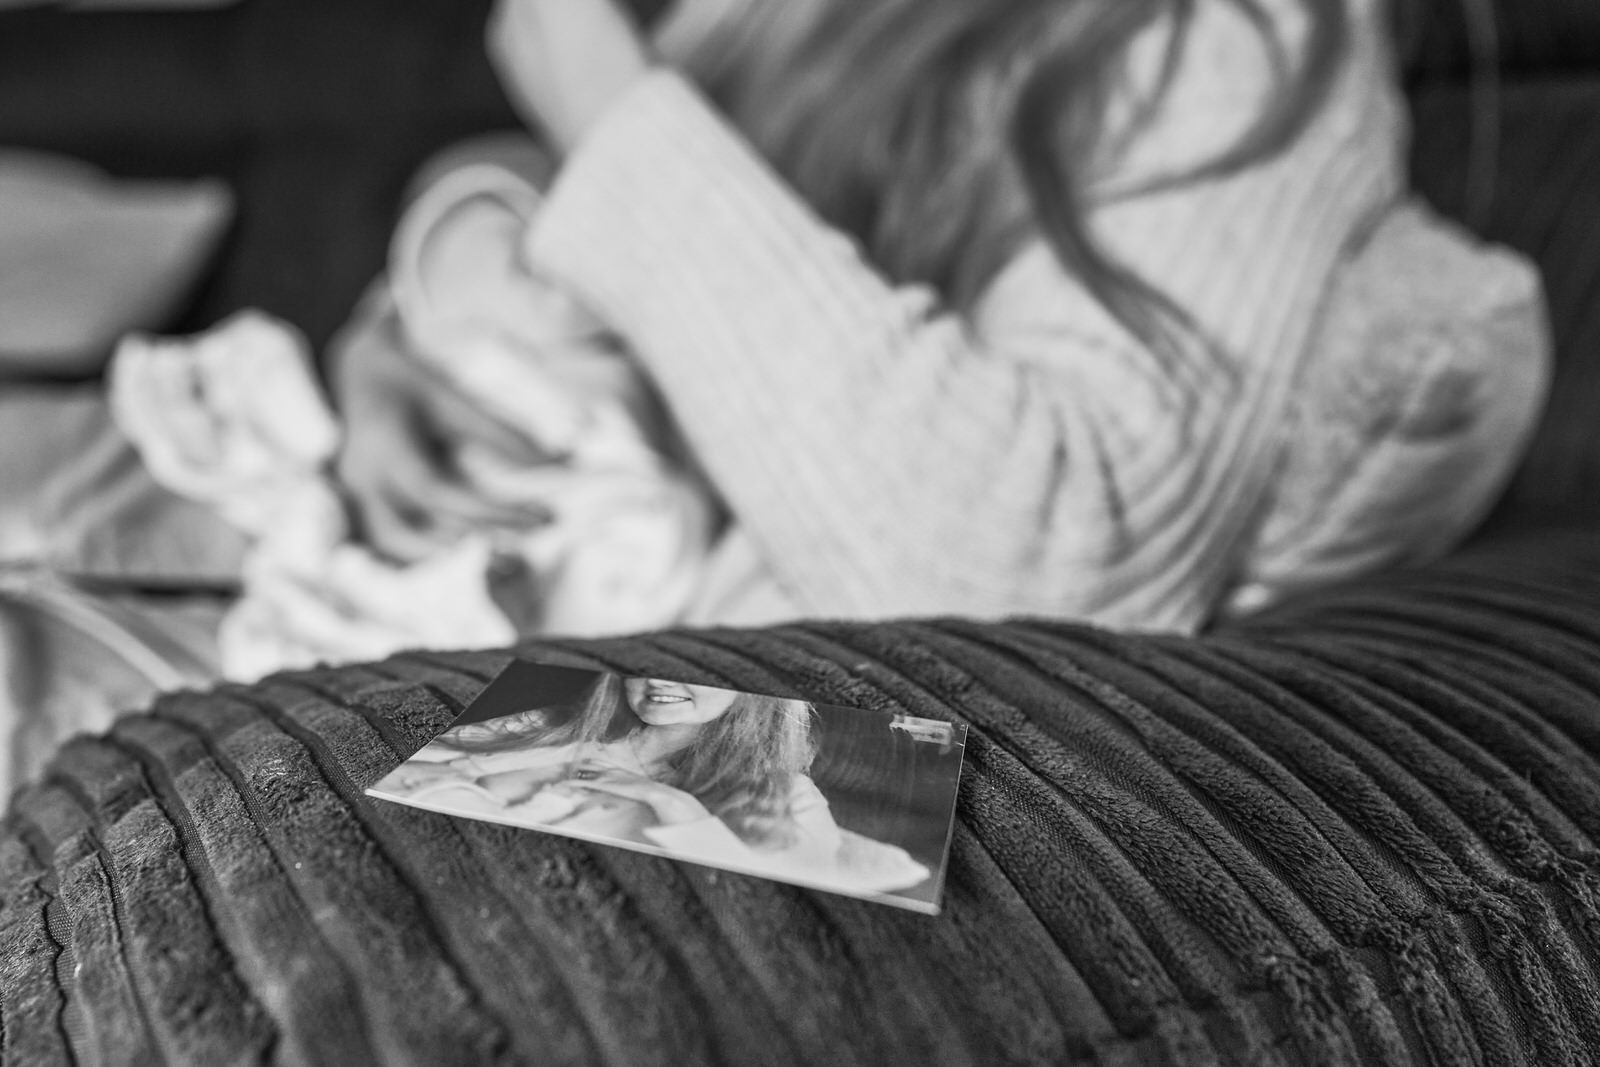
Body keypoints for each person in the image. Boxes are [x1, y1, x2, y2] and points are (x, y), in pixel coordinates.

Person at [331, 0, 1550, 633]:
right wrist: (383, 351)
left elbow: (1037, 573)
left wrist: (606, 101)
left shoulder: (1232, 38)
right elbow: (627, 244)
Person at [374, 672, 931, 893]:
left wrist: (665, 801)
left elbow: (798, 885)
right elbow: (414, 772)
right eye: (645, 663)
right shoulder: (556, 727)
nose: (660, 679)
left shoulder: (779, 793)